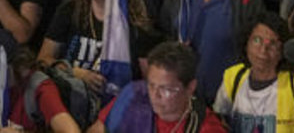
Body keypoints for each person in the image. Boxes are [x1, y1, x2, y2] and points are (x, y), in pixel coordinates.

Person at [93, 41, 229, 133]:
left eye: (166, 89)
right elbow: (96, 130)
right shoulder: (134, 94)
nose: (154, 95)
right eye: (151, 85)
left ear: (190, 88)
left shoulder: (206, 128)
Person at [211, 14, 294, 133]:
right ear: (246, 43)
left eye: (273, 44)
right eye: (257, 40)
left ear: (282, 51)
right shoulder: (233, 76)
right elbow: (218, 120)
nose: (263, 50)